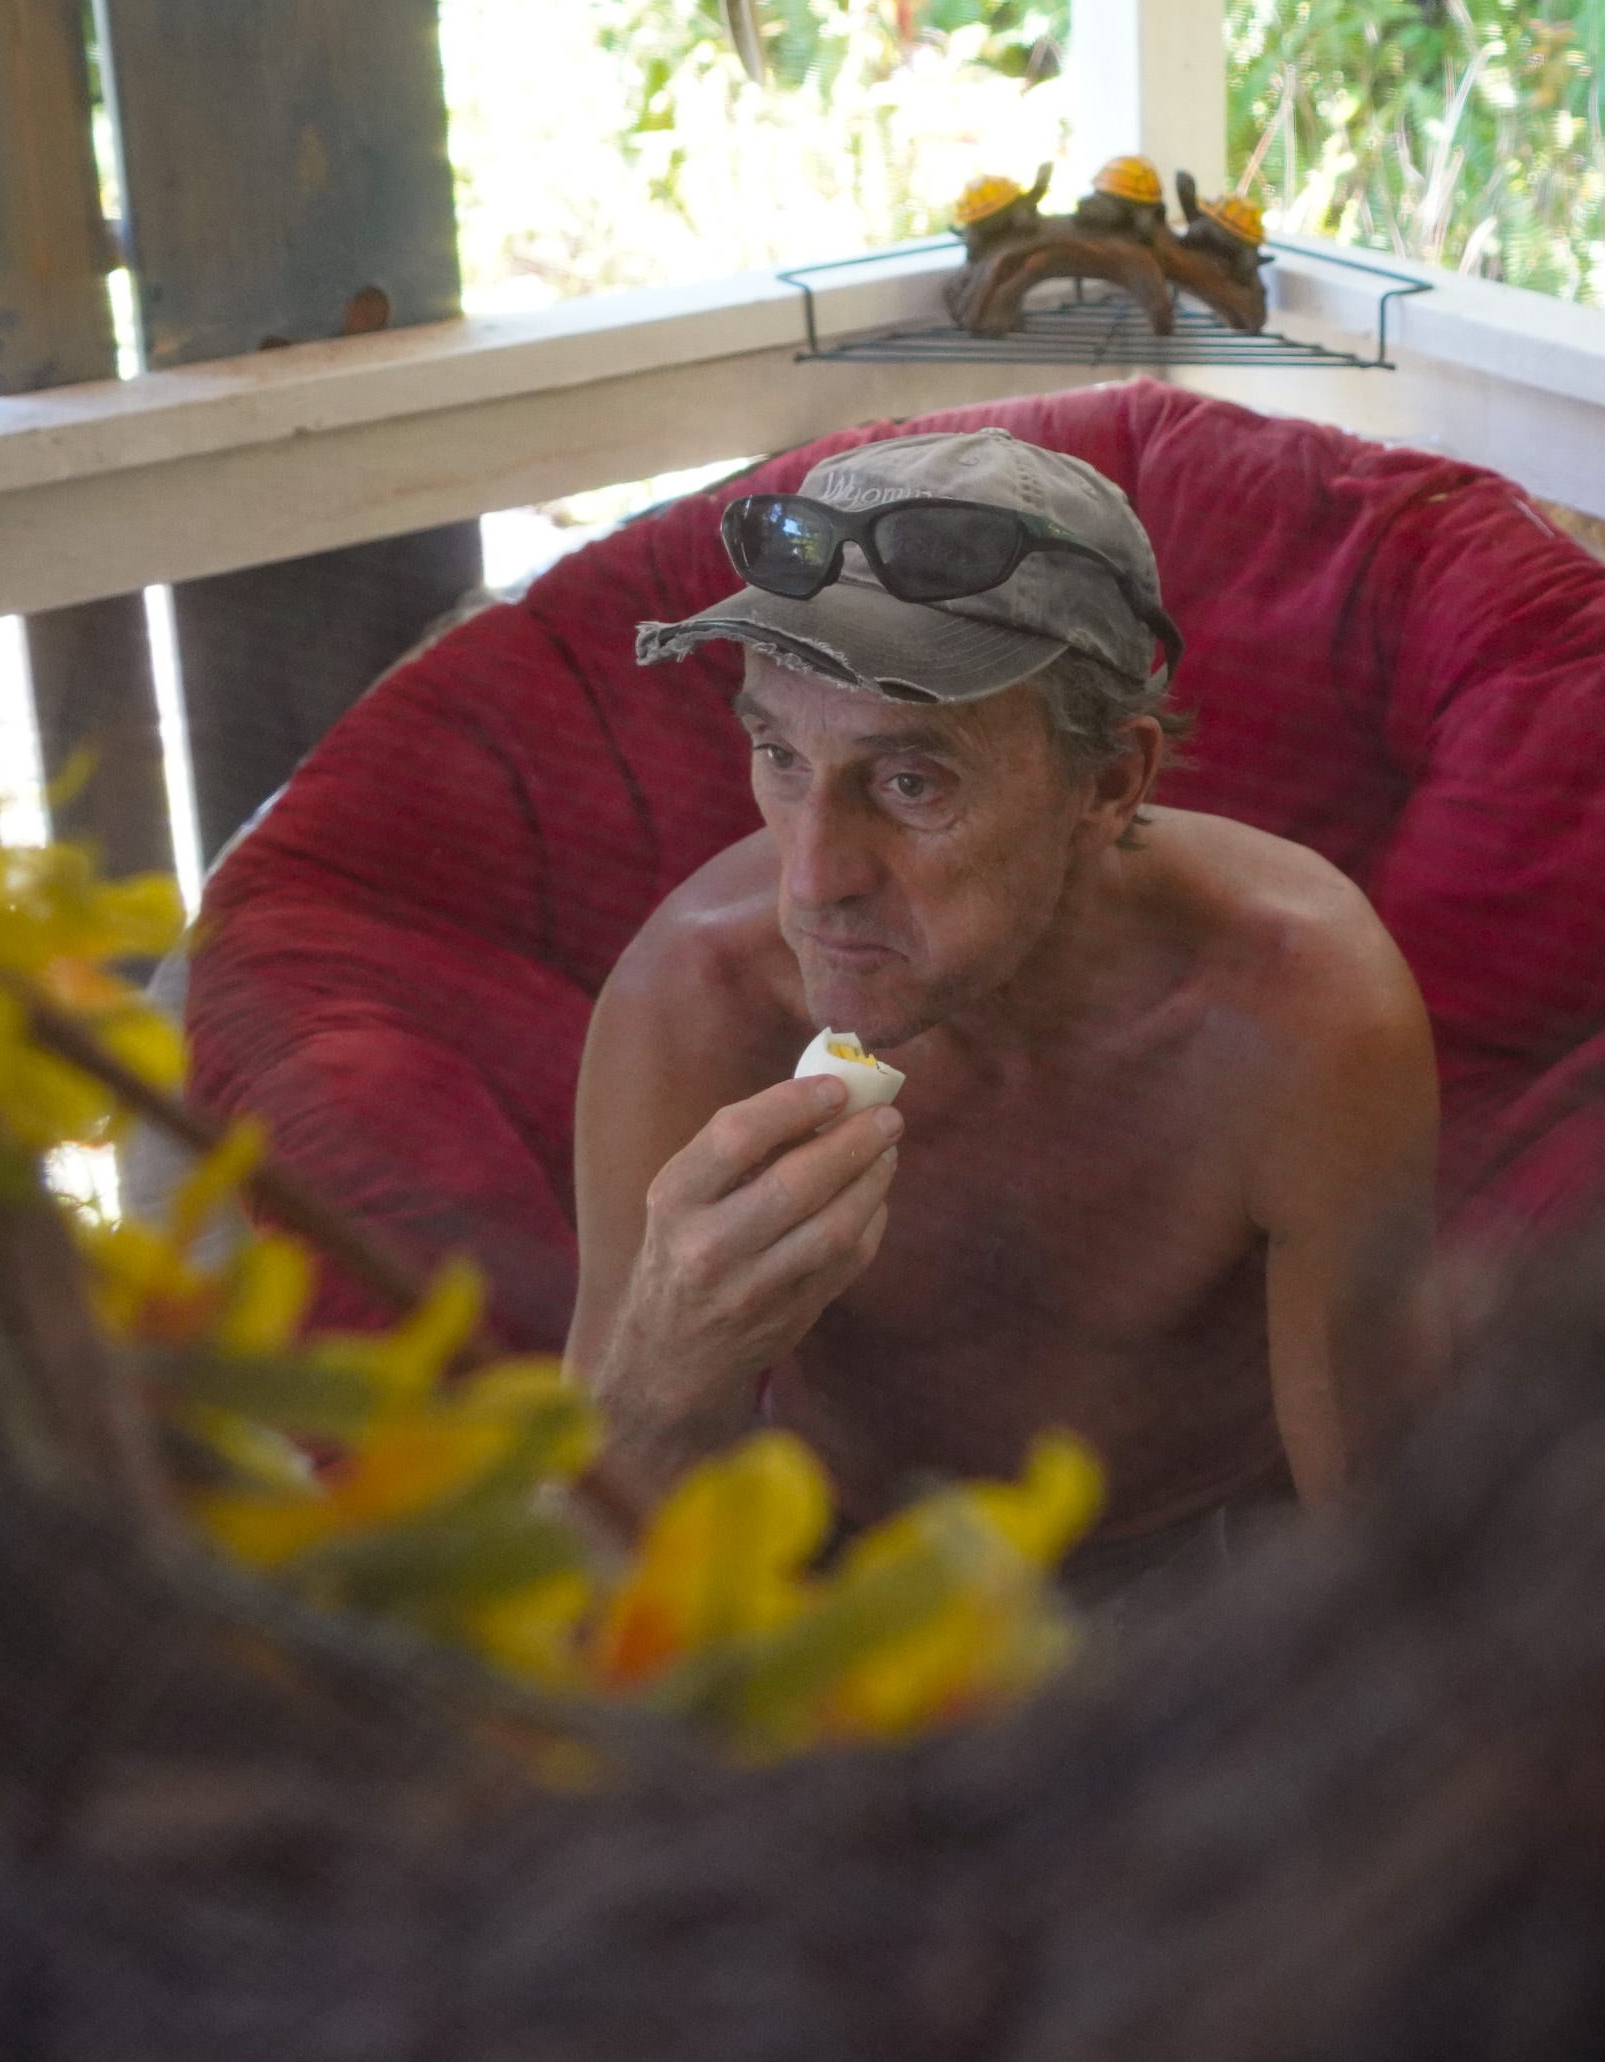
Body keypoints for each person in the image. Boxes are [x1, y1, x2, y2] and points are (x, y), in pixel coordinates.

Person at [569, 431, 1439, 1589]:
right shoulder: (699, 995)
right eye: (778, 753)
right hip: (847, 1569)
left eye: (909, 780)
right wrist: (665, 1369)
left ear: (1110, 778)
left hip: (1204, 1583)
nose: (813, 880)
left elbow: (1385, 1545)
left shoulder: (1297, 1007)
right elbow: (583, 1568)